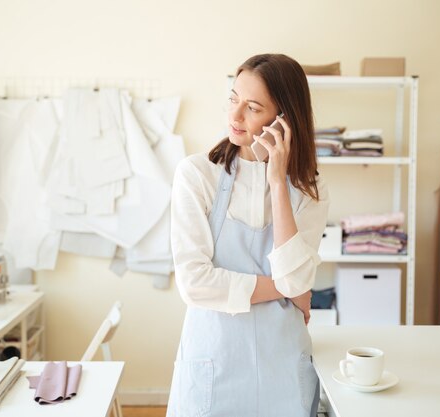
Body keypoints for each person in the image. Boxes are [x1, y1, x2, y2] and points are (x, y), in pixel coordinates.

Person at [167, 53, 329, 417]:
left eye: (253, 107)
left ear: (283, 119)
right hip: (214, 364)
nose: (235, 116)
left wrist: (277, 181)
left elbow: (297, 279)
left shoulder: (309, 190)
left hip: (283, 367)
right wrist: (286, 290)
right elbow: (194, 283)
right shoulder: (197, 175)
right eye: (233, 98)